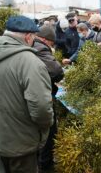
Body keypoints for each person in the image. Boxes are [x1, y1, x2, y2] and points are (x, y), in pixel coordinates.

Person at [0, 16, 54, 173]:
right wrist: (42, 132)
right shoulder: (31, 62)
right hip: (21, 143)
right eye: (34, 37)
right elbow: (41, 106)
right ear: (28, 36)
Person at [33, 25, 63, 172]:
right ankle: (46, 167)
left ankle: (40, 164)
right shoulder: (41, 47)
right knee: (49, 132)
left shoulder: (28, 45)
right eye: (51, 43)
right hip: (42, 97)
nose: (52, 46)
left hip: (30, 98)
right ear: (45, 39)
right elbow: (56, 71)